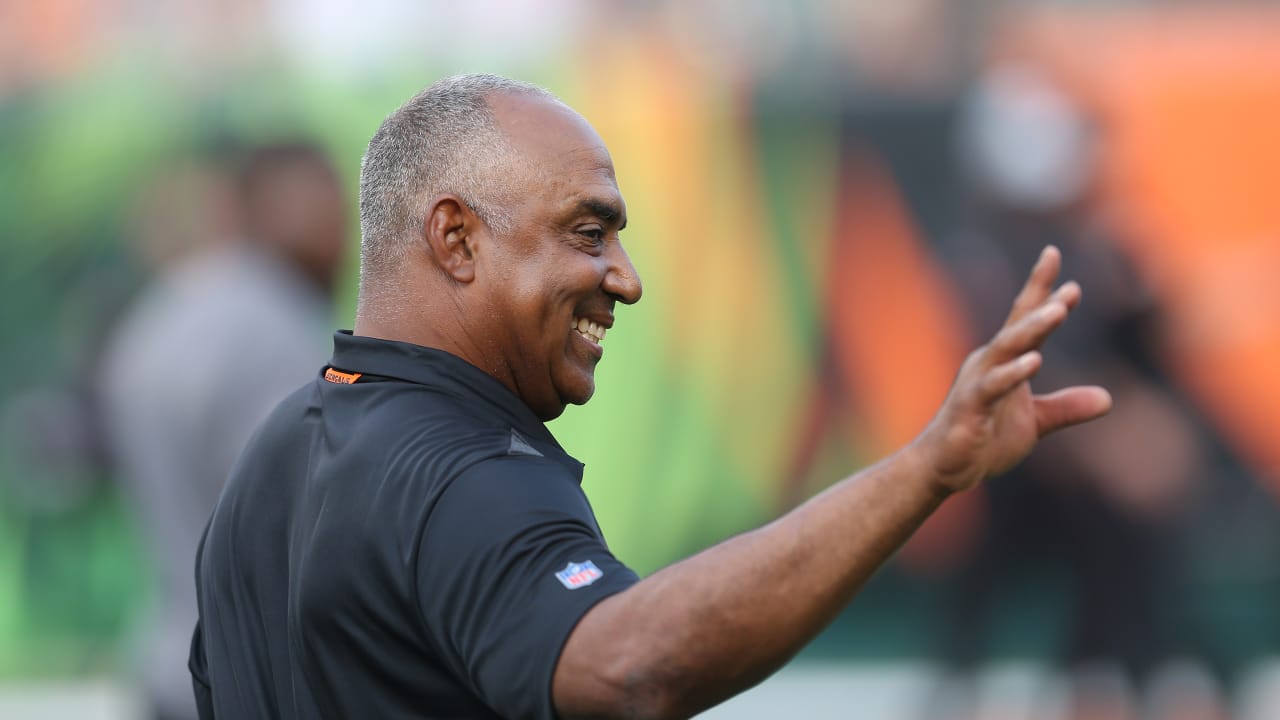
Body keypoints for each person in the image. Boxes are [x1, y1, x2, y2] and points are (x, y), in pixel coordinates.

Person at [189, 74, 1111, 720]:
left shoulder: (275, 456)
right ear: (457, 240)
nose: (624, 280)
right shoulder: (465, 473)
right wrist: (926, 470)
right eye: (587, 233)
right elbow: (628, 665)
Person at [99, 144, 346, 720]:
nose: (343, 240)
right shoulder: (272, 327)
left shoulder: (164, 309)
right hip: (247, 681)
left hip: (168, 656)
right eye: (325, 212)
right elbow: (298, 517)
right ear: (260, 209)